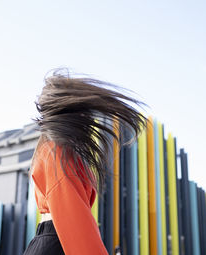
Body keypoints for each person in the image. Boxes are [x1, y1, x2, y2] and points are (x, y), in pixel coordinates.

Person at [23, 69, 148, 255]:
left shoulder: (54, 149)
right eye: (84, 112)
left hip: (53, 242)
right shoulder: (58, 152)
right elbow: (75, 222)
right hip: (57, 243)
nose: (89, 119)